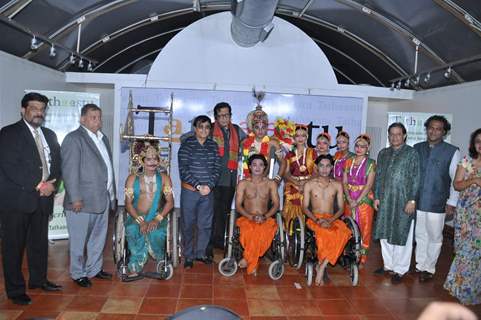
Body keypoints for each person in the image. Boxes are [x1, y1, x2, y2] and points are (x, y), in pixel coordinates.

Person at [0, 92, 62, 305]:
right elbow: (9, 166)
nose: (39, 112)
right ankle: (15, 290)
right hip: (17, 201)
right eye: (34, 108)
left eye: (42, 109)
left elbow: (57, 164)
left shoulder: (50, 134)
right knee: (13, 247)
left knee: (38, 244)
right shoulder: (8, 133)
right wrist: (39, 185)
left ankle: (39, 280)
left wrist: (52, 184)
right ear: (23, 109)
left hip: (43, 200)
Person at [62, 104, 116, 288]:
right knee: (78, 240)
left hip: (102, 199)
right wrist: (75, 198)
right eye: (93, 117)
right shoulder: (74, 139)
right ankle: (78, 273)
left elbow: (106, 167)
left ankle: (94, 269)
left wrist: (112, 195)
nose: (98, 121)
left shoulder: (103, 138)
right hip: (82, 202)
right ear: (82, 119)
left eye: (99, 117)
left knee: (98, 239)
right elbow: (69, 171)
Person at [414, 115, 460, 282]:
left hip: (438, 203)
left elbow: (456, 179)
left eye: (438, 129)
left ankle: (429, 268)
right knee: (420, 235)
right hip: (419, 201)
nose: (433, 131)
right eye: (431, 128)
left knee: (434, 237)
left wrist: (452, 202)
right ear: (426, 129)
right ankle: (420, 265)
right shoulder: (417, 148)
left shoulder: (452, 151)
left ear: (444, 132)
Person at [373, 122, 420, 284]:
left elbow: (416, 178)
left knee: (402, 233)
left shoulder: (411, 153)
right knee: (385, 233)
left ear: (404, 135)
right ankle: (388, 265)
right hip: (385, 200)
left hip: (404, 200)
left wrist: (412, 200)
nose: (394, 137)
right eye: (391, 134)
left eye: (398, 134)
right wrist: (377, 197)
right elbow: (378, 177)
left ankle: (400, 269)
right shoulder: (383, 153)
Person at [123, 143, 174, 281]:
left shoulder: (164, 178)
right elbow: (128, 204)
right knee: (132, 229)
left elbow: (170, 202)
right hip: (136, 216)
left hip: (157, 216)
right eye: (149, 159)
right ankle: (135, 264)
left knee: (157, 232)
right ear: (142, 161)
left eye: (155, 159)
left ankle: (159, 257)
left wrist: (157, 219)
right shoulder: (132, 179)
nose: (153, 162)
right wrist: (141, 221)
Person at [444, 128, 481, 305]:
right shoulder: (466, 161)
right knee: (464, 251)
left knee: (478, 253)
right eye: (478, 141)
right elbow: (457, 185)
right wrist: (473, 180)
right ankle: (459, 287)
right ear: (473, 144)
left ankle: (475, 288)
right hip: (466, 214)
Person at [178, 115, 221, 269]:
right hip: (190, 191)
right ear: (195, 128)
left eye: (207, 127)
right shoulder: (186, 145)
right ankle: (188, 255)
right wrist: (198, 186)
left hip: (208, 192)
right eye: (201, 127)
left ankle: (200, 253)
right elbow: (183, 170)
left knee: (205, 225)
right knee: (188, 224)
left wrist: (209, 185)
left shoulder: (213, 146)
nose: (204, 130)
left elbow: (217, 168)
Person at [302, 154, 352, 286]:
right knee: (325, 234)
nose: (324, 169)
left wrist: (330, 221)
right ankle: (322, 265)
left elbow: (341, 208)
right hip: (315, 219)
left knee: (345, 233)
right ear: (317, 167)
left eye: (328, 166)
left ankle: (322, 265)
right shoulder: (309, 185)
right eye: (321, 166)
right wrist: (317, 220)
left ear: (331, 168)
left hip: (332, 219)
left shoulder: (337, 185)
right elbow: (305, 208)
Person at [207, 102, 246, 258]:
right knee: (212, 213)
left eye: (227, 115)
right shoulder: (208, 128)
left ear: (231, 115)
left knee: (224, 212)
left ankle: (218, 242)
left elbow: (251, 143)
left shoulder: (236, 130)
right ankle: (208, 246)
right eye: (221, 115)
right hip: (213, 179)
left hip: (230, 179)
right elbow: (188, 138)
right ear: (215, 117)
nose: (224, 118)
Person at [235, 154, 280, 275]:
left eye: (261, 165)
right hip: (247, 218)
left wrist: (265, 216)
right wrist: (251, 217)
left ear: (265, 167)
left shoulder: (271, 184)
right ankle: (252, 262)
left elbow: (276, 205)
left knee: (262, 230)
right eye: (254, 165)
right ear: (250, 167)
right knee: (252, 231)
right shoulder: (243, 184)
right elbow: (238, 206)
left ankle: (248, 259)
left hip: (265, 218)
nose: (257, 168)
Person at [343, 134, 376, 265]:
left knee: (365, 227)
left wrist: (357, 200)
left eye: (363, 146)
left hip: (364, 199)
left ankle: (361, 257)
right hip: (349, 198)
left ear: (368, 148)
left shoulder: (371, 163)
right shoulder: (348, 161)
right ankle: (347, 252)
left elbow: (369, 185)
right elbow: (344, 182)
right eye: (357, 145)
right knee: (347, 226)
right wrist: (349, 198)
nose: (359, 148)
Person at [241, 106, 285, 182]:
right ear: (252, 128)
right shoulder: (245, 142)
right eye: (257, 127)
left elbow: (283, 163)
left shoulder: (273, 143)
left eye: (263, 128)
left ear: (267, 128)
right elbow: (243, 163)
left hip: (265, 181)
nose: (260, 131)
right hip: (248, 181)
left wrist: (277, 179)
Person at [283, 125, 316, 225]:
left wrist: (305, 183)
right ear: (294, 138)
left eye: (303, 136)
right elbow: (286, 173)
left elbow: (316, 172)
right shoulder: (289, 154)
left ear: (307, 137)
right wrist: (297, 183)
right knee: (292, 206)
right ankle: (290, 231)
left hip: (309, 184)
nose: (300, 138)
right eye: (297, 136)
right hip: (293, 184)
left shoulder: (312, 152)